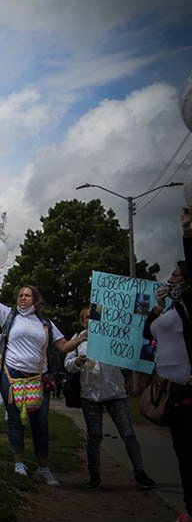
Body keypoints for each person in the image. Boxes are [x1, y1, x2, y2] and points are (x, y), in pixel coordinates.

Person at [0, 269, 87, 486]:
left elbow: (64, 346)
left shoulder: (46, 324)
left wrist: (82, 338)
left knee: (41, 424)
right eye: (20, 295)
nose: (23, 297)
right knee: (15, 422)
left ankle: (43, 468)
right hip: (11, 376)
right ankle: (19, 464)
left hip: (38, 378)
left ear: (35, 300)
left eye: (28, 295)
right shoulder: (8, 315)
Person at [65, 306, 155, 489]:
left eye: (95, 316)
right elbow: (68, 365)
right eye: (88, 317)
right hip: (90, 395)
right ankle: (94, 475)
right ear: (83, 322)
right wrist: (77, 362)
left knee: (128, 433)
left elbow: (128, 353)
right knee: (94, 435)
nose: (91, 319)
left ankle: (140, 472)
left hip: (115, 393)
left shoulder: (112, 335)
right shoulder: (78, 339)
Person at [144, 208, 192, 522]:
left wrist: (187, 231)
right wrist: (159, 307)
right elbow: (152, 332)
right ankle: (190, 507)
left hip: (189, 389)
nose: (170, 279)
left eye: (176, 276)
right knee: (183, 453)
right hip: (170, 390)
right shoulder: (172, 307)